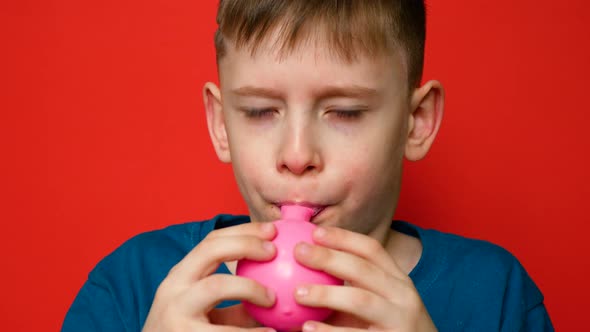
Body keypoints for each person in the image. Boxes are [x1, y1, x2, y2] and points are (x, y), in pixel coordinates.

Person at [62, 1, 554, 331]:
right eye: (259, 111)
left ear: (415, 122)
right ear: (220, 123)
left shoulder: (497, 297)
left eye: (345, 111)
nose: (297, 156)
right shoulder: (132, 287)